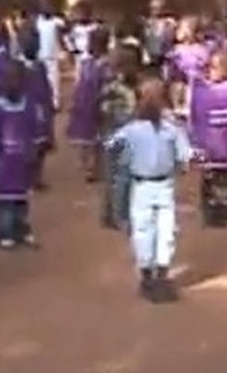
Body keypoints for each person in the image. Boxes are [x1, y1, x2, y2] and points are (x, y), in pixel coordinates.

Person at [104, 78, 196, 303]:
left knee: (157, 231)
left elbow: (186, 155)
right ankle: (152, 276)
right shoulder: (149, 129)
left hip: (155, 185)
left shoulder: (157, 129)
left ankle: (156, 276)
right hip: (150, 185)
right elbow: (187, 156)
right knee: (152, 230)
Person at [0, 60, 42, 250]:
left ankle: (21, 228)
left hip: (23, 162)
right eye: (9, 80)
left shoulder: (29, 106)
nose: (13, 84)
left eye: (18, 80)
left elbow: (35, 129)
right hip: (2, 163)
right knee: (3, 201)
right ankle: (3, 232)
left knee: (21, 199)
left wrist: (34, 152)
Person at [188, 49, 227, 227]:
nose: (213, 71)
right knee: (209, 180)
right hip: (209, 147)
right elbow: (194, 117)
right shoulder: (201, 90)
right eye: (211, 67)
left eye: (218, 67)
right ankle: (211, 216)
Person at [99, 44, 140, 230]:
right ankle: (120, 217)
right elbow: (123, 113)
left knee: (112, 175)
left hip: (110, 133)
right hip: (120, 134)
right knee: (122, 177)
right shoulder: (119, 89)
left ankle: (109, 215)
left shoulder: (109, 86)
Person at [67, 26, 110, 182]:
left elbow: (107, 86)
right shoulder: (86, 63)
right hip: (84, 104)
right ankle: (88, 165)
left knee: (97, 137)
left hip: (98, 104)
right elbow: (79, 83)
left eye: (92, 43)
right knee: (85, 138)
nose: (89, 47)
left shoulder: (106, 66)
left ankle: (94, 167)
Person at [19, 34, 54, 191]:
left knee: (41, 145)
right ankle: (28, 176)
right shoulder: (18, 66)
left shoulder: (40, 66)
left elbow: (46, 87)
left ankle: (37, 177)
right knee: (27, 144)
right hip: (26, 109)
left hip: (41, 108)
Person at [166, 16, 209, 114]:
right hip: (182, 86)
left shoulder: (201, 50)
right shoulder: (176, 51)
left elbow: (204, 67)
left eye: (181, 28)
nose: (178, 31)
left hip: (196, 86)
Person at [35, 0, 66, 111]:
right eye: (44, 6)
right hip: (41, 56)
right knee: (41, 81)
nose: (46, 9)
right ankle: (44, 103)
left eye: (48, 6)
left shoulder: (57, 22)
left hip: (53, 56)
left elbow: (62, 34)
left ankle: (55, 104)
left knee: (54, 82)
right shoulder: (38, 22)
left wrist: (64, 49)